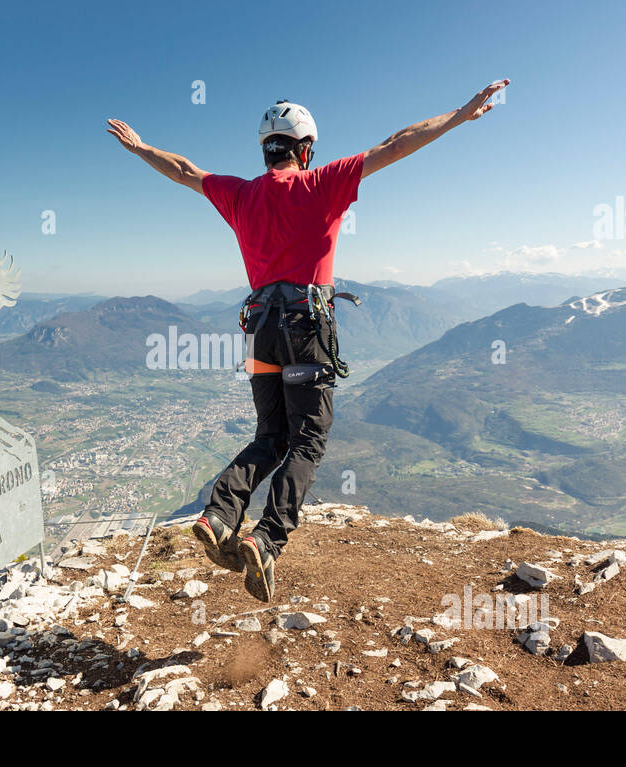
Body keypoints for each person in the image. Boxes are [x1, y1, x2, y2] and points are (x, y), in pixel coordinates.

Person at [107, 79, 509, 601]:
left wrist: (140, 149)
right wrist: (458, 115)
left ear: (266, 149)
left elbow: (186, 171)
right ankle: (266, 538)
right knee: (308, 439)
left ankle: (219, 513)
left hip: (260, 331)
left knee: (269, 434)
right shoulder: (324, 183)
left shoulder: (240, 194)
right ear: (306, 149)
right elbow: (397, 143)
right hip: (305, 328)